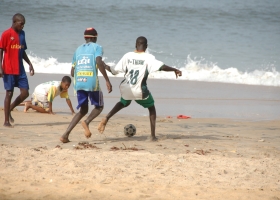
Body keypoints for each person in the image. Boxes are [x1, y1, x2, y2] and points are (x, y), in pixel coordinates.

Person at [98, 36, 182, 141]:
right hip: (140, 91)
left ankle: (107, 117)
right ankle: (152, 136)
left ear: (135, 45)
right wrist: (175, 70)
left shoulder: (127, 56)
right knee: (151, 108)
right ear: (146, 46)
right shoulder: (149, 57)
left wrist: (105, 66)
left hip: (126, 87)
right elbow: (162, 67)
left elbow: (114, 71)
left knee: (124, 102)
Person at [60, 27, 112, 143]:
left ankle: (65, 135)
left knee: (83, 110)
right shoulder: (97, 47)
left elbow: (72, 72)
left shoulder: (78, 50)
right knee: (99, 106)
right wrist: (107, 80)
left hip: (78, 83)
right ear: (95, 37)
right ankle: (87, 122)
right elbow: (98, 62)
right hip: (91, 83)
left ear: (85, 38)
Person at [0, 13, 35, 127]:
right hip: (9, 69)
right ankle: (6, 121)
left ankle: (10, 108)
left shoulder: (22, 34)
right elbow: (1, 51)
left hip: (20, 69)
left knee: (25, 93)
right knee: (9, 93)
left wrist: (29, 63)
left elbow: (22, 50)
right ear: (15, 22)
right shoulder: (6, 34)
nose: (22, 26)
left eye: (23, 24)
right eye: (21, 24)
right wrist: (0, 67)